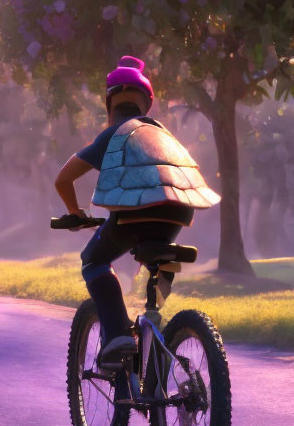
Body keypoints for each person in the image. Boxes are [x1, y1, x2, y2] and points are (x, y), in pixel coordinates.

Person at [54, 56, 219, 369]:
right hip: (176, 215)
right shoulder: (163, 135)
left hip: (131, 217)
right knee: (164, 258)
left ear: (109, 102)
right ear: (147, 103)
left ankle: (117, 334)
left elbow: (62, 179)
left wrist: (74, 212)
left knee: (94, 260)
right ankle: (155, 328)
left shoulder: (113, 134)